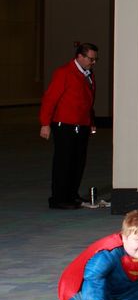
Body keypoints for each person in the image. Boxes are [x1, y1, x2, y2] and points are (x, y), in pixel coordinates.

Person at [40, 42, 99, 209]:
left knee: (78, 162)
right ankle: (58, 198)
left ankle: (71, 194)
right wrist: (45, 123)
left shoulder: (88, 74)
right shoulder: (64, 73)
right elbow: (50, 99)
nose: (93, 62)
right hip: (64, 125)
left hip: (82, 125)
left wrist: (91, 122)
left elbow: (88, 102)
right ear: (79, 56)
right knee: (64, 162)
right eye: (90, 59)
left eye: (95, 59)